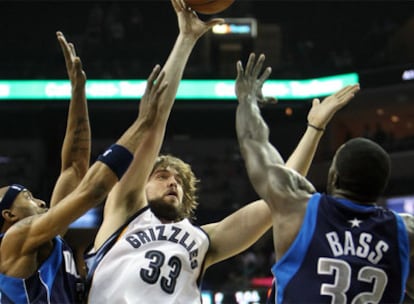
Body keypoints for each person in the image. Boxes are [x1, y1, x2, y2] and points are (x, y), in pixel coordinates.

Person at [86, 3, 360, 303]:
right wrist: (186, 39)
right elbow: (154, 121)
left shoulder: (204, 240)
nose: (173, 182)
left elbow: (282, 193)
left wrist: (314, 129)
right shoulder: (123, 215)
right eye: (163, 175)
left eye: (178, 180)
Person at [0, 29, 169, 302]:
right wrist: (143, 124)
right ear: (9, 215)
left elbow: (75, 169)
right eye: (28, 198)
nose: (42, 202)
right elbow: (93, 189)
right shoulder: (15, 239)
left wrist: (78, 91)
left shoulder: (43, 242)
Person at [235, 52, 413, 303]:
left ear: (334, 176)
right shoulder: (404, 231)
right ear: (381, 186)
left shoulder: (299, 208)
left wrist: (247, 99)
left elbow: (253, 142)